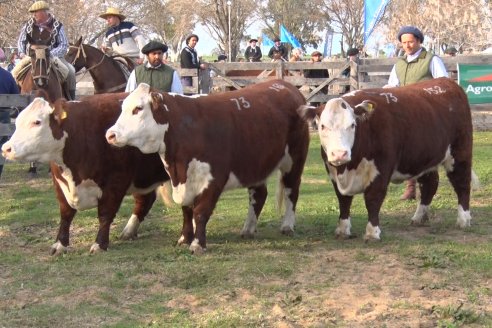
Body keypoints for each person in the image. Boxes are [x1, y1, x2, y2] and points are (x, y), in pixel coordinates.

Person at [386, 25, 448, 201]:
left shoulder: (431, 60)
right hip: (405, 114)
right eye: (404, 42)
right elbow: (392, 85)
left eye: (411, 41)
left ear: (419, 41)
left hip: (427, 113)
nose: (407, 45)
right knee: (408, 149)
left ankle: (428, 187)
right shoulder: (399, 64)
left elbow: (443, 84)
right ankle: (411, 187)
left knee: (428, 149)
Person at [17, 1, 76, 99]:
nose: (34, 14)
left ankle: (71, 100)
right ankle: (15, 103)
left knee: (70, 71)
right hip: (31, 57)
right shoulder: (28, 25)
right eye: (33, 12)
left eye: (36, 12)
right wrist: (22, 53)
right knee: (14, 73)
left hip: (53, 57)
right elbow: (21, 41)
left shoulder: (57, 25)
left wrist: (49, 54)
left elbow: (64, 44)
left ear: (44, 12)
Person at [0, 66, 20, 179]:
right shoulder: (7, 75)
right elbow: (16, 96)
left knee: (69, 72)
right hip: (3, 115)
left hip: (49, 56)